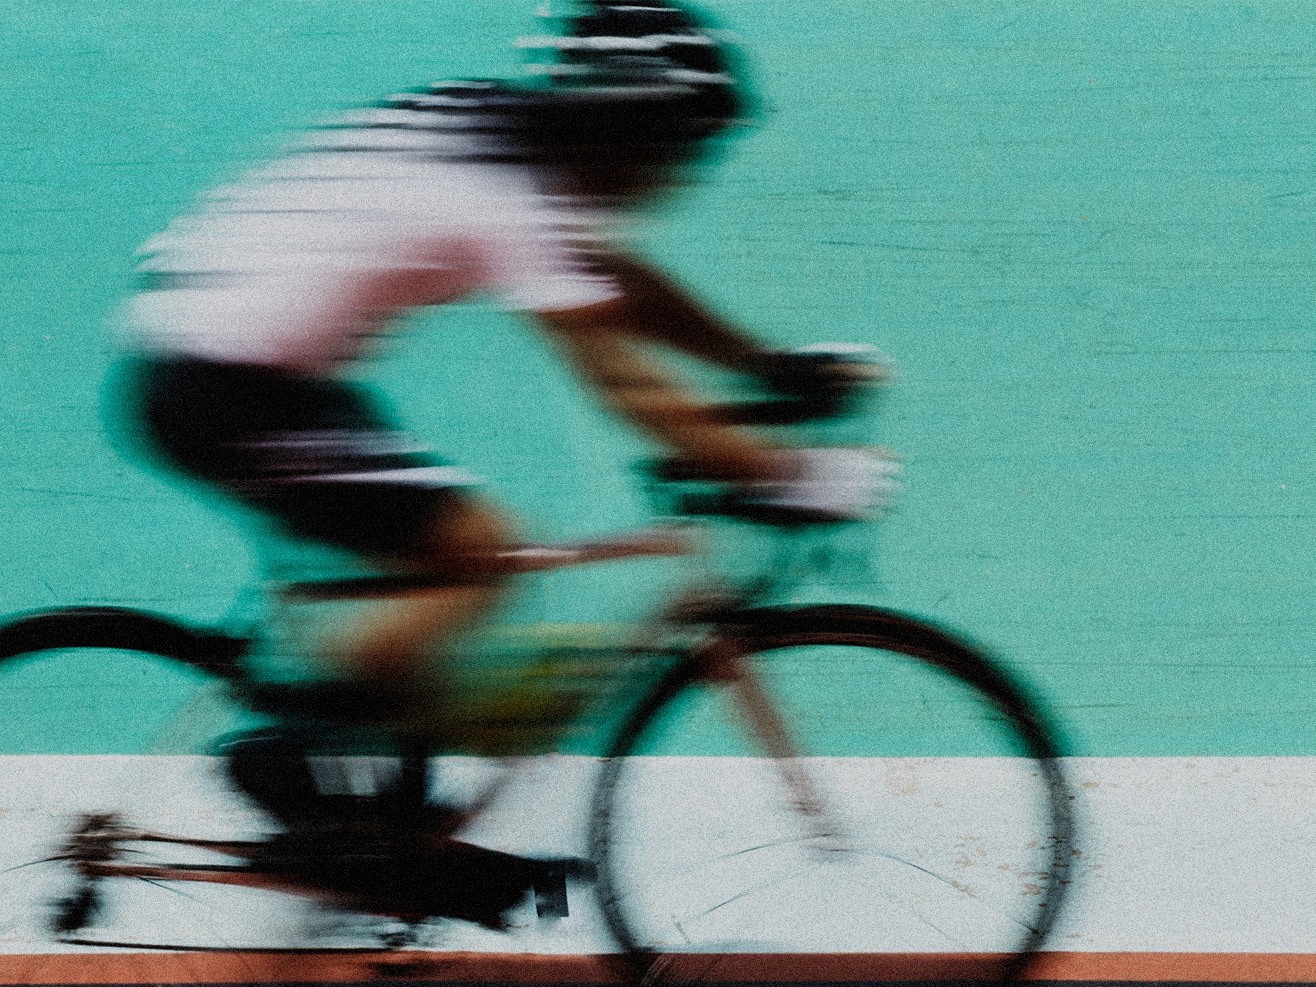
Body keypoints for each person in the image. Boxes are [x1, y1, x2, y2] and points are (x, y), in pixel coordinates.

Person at [116, 0, 895, 912]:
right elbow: (633, 390)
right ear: (621, 127)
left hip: (233, 369)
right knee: (478, 552)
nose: (680, 178)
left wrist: (760, 364)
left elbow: (616, 285)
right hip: (227, 383)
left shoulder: (507, 143)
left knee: (442, 573)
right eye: (677, 151)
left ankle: (378, 813)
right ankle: (292, 757)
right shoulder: (506, 190)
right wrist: (794, 474)